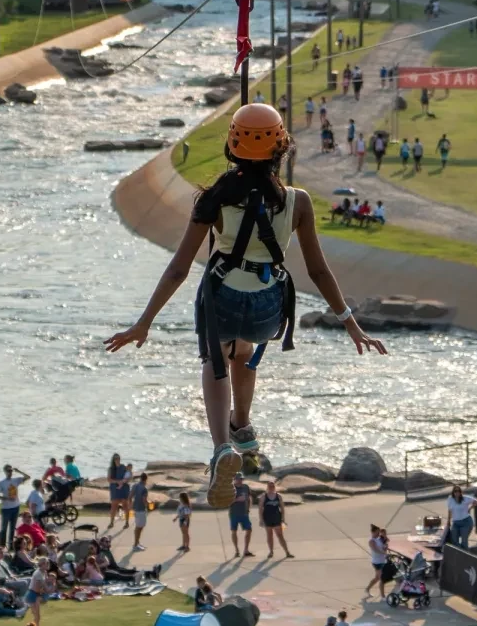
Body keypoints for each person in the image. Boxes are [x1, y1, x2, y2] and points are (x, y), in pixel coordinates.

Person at [106, 102, 385, 507]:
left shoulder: (214, 198)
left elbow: (178, 270)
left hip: (221, 296)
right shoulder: (299, 202)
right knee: (243, 352)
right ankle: (242, 423)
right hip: (269, 306)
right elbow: (319, 272)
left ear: (231, 148)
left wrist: (144, 323)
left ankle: (223, 446)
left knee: (215, 361)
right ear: (280, 149)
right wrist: (349, 322)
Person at [259, 480, 294, 559]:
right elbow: (260, 508)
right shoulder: (264, 496)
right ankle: (271, 552)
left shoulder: (278, 496)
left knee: (280, 535)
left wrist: (283, 519)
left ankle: (287, 552)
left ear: (274, 487)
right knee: (269, 535)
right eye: (270, 486)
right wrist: (261, 520)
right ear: (267, 487)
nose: (271, 487)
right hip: (267, 518)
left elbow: (282, 508)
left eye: (272, 486)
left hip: (277, 518)